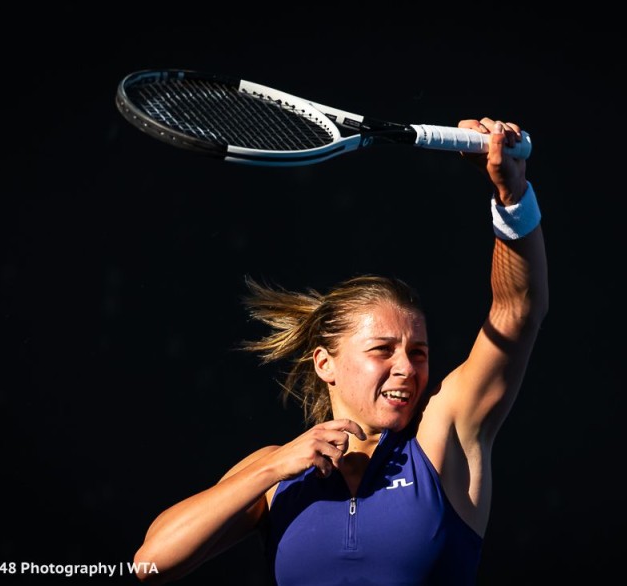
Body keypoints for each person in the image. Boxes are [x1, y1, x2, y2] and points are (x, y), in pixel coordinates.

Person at [133, 118, 549, 585]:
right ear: (325, 363)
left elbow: (517, 311)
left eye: (418, 352)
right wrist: (274, 467)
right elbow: (150, 564)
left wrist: (512, 197)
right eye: (382, 350)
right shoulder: (279, 469)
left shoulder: (445, 437)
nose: (406, 369)